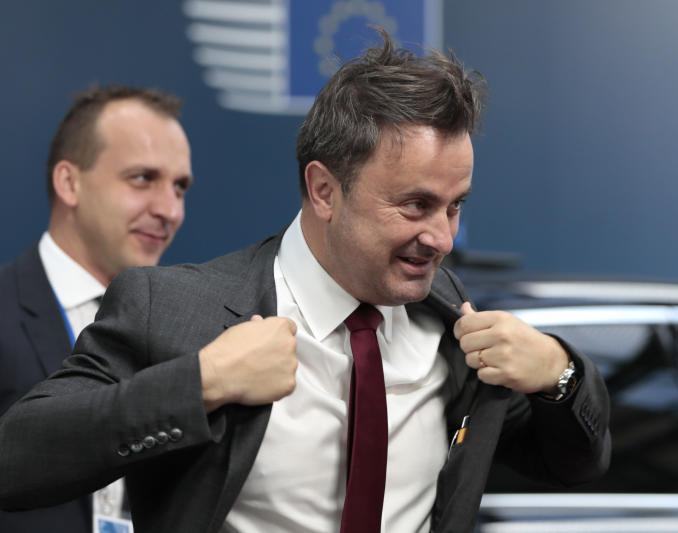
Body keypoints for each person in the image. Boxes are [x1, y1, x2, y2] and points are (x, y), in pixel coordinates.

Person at [0, 32, 609, 533]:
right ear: (323, 190)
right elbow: (17, 460)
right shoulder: (177, 310)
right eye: (415, 205)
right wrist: (202, 384)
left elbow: (578, 463)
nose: (443, 239)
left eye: (455, 207)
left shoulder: (455, 327)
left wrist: (561, 374)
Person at [0, 85, 193, 533]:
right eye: (143, 178)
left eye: (180, 187)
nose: (169, 209)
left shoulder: (187, 333)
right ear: (70, 182)